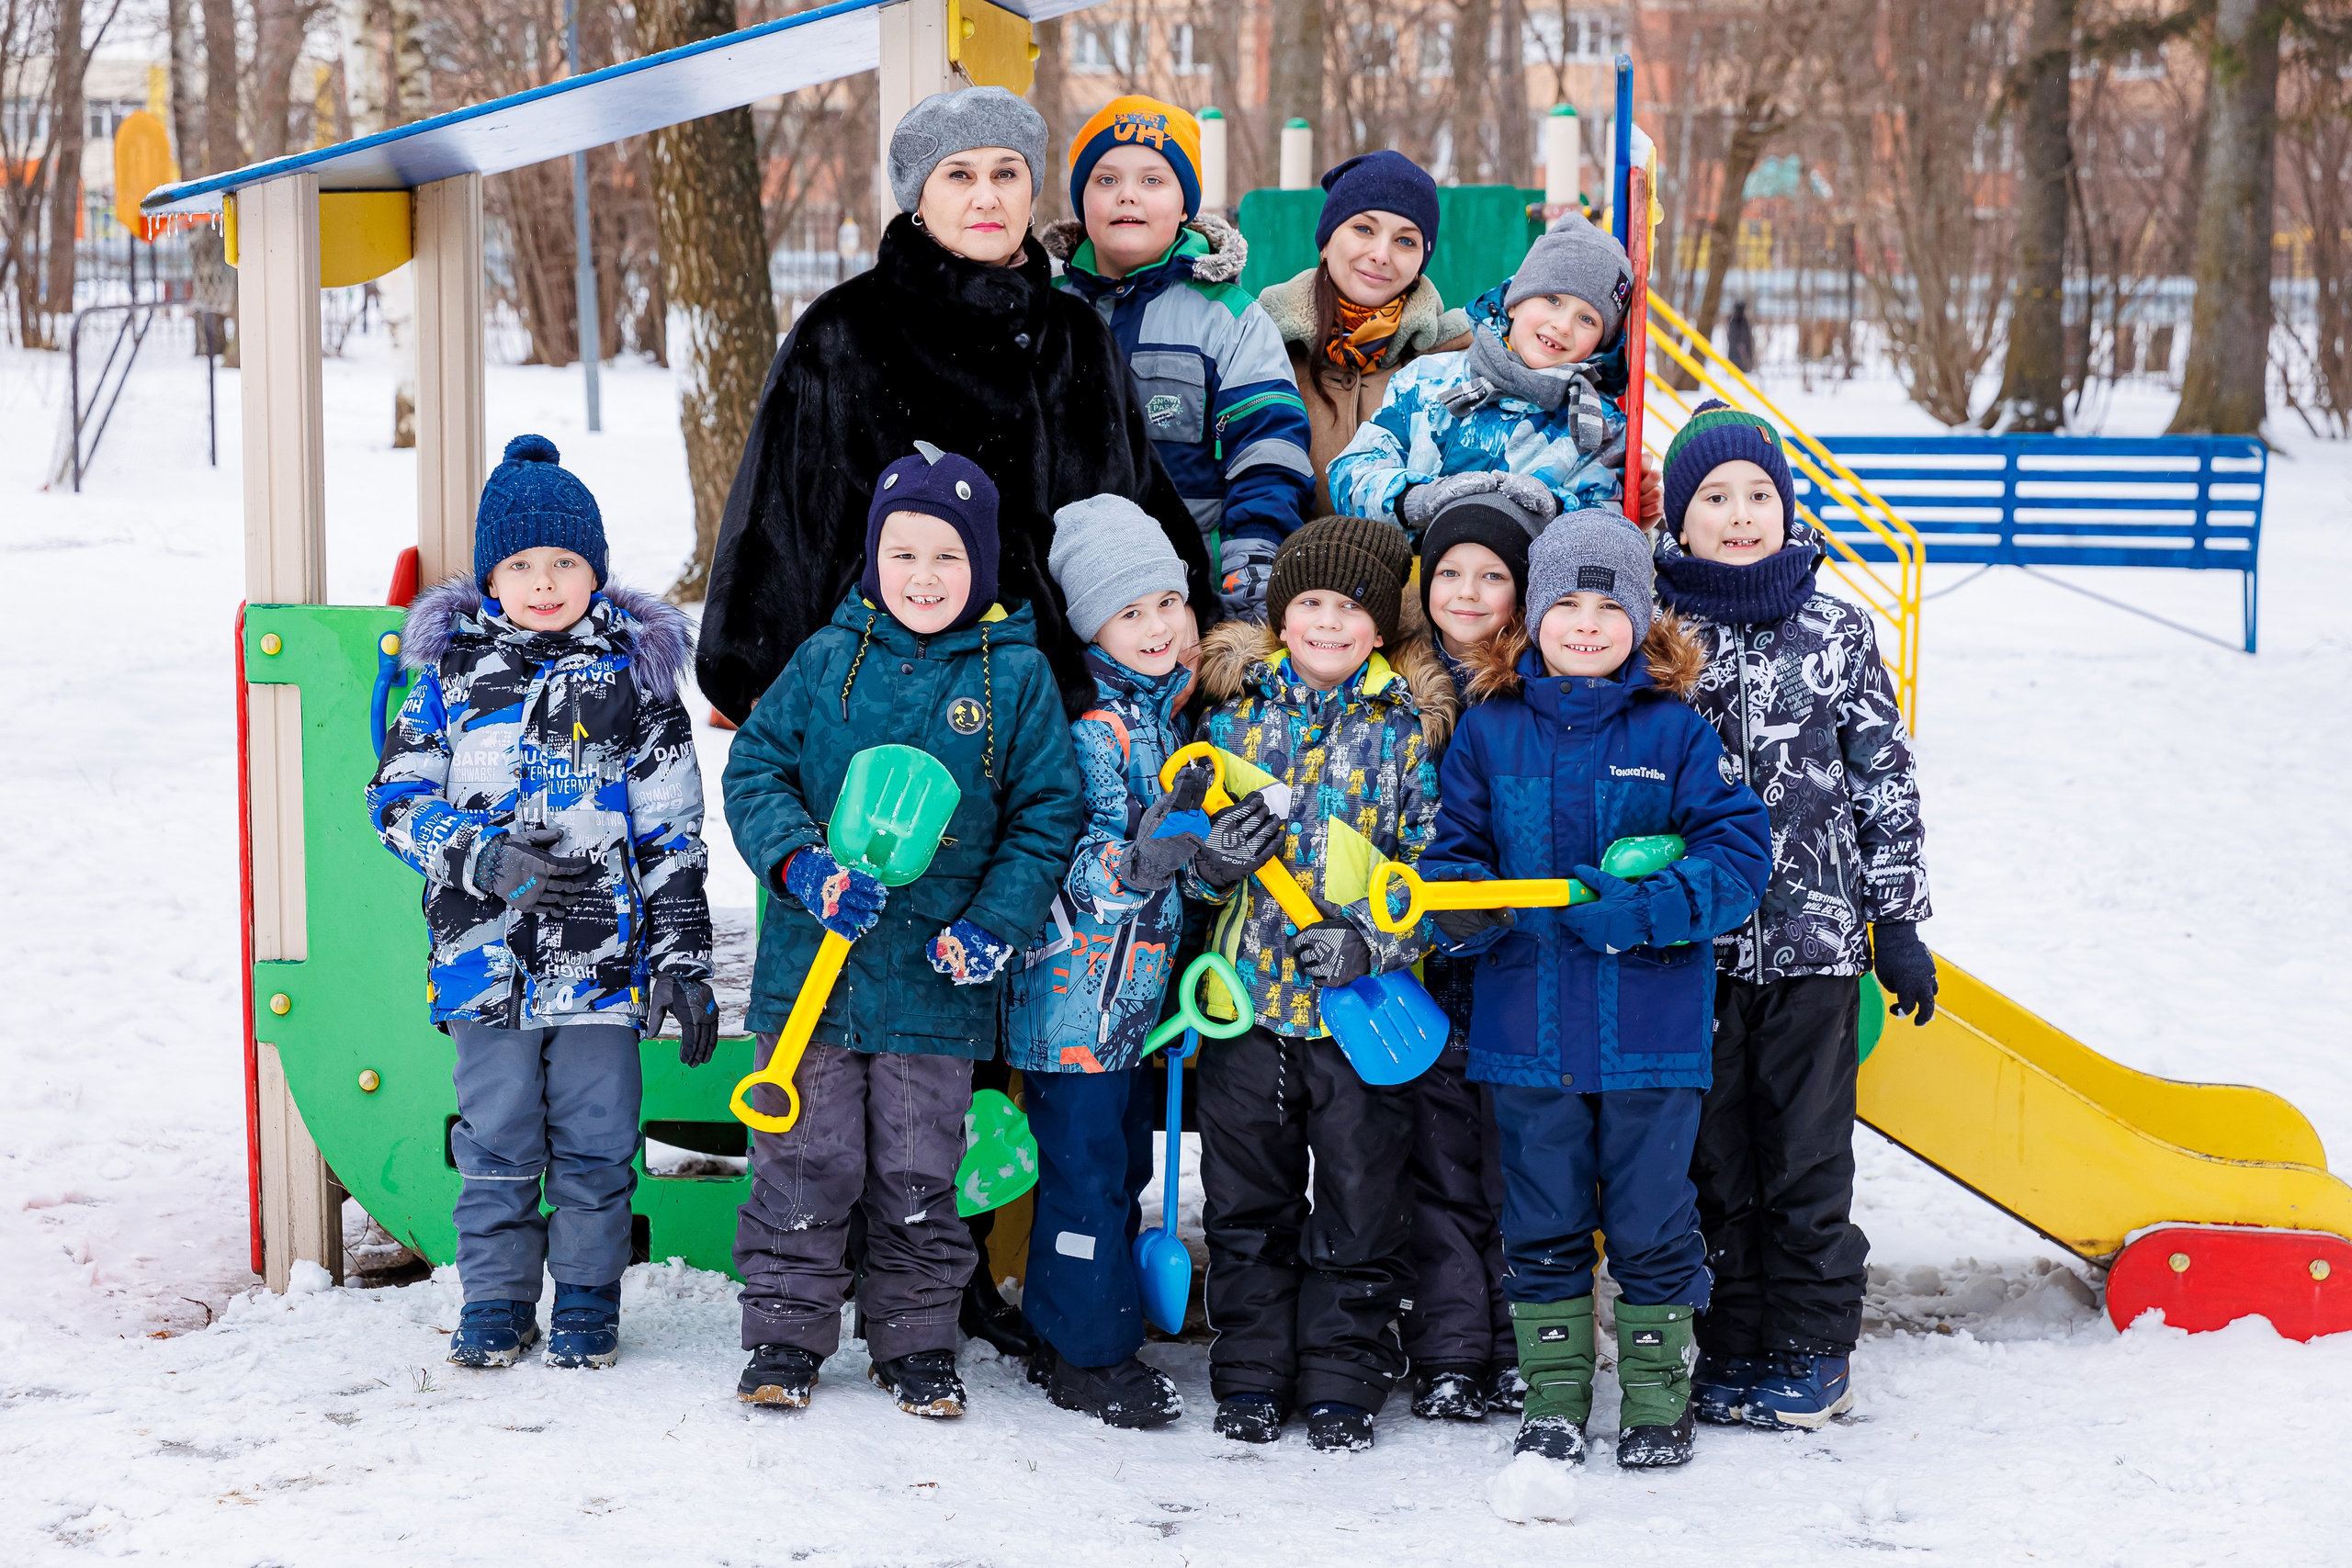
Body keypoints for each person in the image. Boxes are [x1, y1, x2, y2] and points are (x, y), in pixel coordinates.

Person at [724, 447, 1087, 1419]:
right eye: (903, 554)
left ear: (984, 565)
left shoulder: (1012, 679)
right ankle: (785, 1335)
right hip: (815, 975)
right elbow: (753, 773)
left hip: (936, 980)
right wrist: (801, 863)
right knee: (805, 1157)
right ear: (872, 559)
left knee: (922, 1166)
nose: (924, 578)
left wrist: (991, 924)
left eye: (948, 558)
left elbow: (1046, 813)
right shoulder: (825, 660)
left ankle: (919, 1341)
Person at [1421, 506, 1771, 1472]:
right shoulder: (1490, 733)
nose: (1584, 623)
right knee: (1540, 1220)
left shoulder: (1674, 732)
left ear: (1642, 618)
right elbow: (1454, 853)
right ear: (1529, 616)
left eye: (1606, 606)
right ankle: (1555, 1400)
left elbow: (1738, 855)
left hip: (1650, 1035)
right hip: (1525, 1029)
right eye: (1564, 603)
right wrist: (1457, 906)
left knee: (1656, 1218)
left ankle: (1657, 1399)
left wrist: (1645, 910)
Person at [697, 85, 1218, 731]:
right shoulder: (842, 331)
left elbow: (1142, 500)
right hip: (889, 702)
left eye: (1006, 172)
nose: (986, 195)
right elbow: (773, 518)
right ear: (920, 194)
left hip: (1075, 710)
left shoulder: (1078, 335)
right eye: (959, 174)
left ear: (1032, 188)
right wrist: (751, 672)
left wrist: (1196, 619)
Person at [367, 434, 717, 1372]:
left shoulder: (635, 684)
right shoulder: (444, 678)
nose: (546, 580)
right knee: (499, 1138)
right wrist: (483, 859)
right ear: (491, 576)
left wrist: (681, 957)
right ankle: (494, 1301)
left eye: (565, 561)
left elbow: (671, 830)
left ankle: (590, 1301)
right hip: (484, 970)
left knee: (599, 1145)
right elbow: (396, 801)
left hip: (602, 971)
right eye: (522, 563)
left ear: (594, 570)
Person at [1651, 401, 1936, 1432]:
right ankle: (1731, 1339)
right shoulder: (1649, 630)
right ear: (1678, 518)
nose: (1739, 515)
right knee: (1713, 1155)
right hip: (1694, 952)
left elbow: (1882, 780)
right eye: (1714, 499)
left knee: (1805, 1156)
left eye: (1759, 496)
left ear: (1786, 508)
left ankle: (1812, 1347)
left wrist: (1894, 925)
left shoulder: (1834, 626)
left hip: (1815, 946)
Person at [1003, 495, 1286, 1428]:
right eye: (1131, 613)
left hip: (1133, 1008)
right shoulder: (1091, 727)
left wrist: (1209, 867)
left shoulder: (1169, 717)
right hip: (1070, 1004)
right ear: (1091, 624)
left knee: (1117, 1168)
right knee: (1088, 1175)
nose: (1160, 627)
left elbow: (1179, 887)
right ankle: (1090, 1355)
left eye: (1169, 603)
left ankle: (1066, 1323)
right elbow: (1073, 864)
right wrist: (1139, 860)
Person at [1188, 514, 1455, 1453]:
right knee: (1246, 1206)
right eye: (1310, 603)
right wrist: (1209, 865)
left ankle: (1344, 1373)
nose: (1329, 622)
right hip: (1247, 1013)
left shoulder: (1409, 735)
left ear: (1381, 625)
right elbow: (1179, 858)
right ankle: (1253, 1371)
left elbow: (1437, 874)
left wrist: (1372, 948)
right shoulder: (1228, 719)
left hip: (1361, 1021)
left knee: (1358, 1205)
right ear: (1279, 616)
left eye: (1350, 607)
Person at [1045, 96, 1314, 619]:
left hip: (1187, 590)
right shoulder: (1043, 310)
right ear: (1081, 202)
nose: (1127, 196)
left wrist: (1251, 564)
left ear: (1186, 204)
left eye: (1152, 180)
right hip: (1064, 586)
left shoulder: (1228, 318)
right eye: (1105, 180)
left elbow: (1268, 449)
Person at [1400, 490, 1549, 1424]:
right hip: (1417, 961)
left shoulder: (1537, 689)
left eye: (1492, 575)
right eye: (1449, 571)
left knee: (1520, 1167)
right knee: (1440, 1166)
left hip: (1514, 955)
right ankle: (1451, 1347)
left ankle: (1517, 1343)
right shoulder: (1395, 683)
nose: (1468, 590)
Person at [1325, 214, 1664, 537]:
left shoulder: (1596, 428)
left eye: (1587, 319)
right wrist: (1417, 500)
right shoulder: (1427, 381)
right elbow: (1350, 474)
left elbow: (1603, 530)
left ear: (1598, 345)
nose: (1562, 325)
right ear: (1514, 302)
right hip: (1410, 591)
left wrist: (1551, 510)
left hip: (1525, 595)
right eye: (1552, 299)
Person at [1255, 151, 1470, 513]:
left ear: (1420, 265)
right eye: (1363, 229)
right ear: (1325, 242)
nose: (1381, 254)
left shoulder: (1449, 359)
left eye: (1405, 241)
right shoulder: (1263, 343)